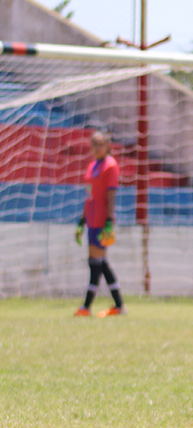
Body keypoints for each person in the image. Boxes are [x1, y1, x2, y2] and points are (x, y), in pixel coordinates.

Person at [74, 131, 125, 317]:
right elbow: (89, 196)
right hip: (91, 220)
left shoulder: (110, 166)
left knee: (95, 263)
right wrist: (81, 221)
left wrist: (110, 221)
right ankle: (119, 306)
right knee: (100, 263)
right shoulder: (91, 166)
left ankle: (86, 307)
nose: (96, 147)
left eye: (100, 144)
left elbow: (111, 195)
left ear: (108, 145)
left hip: (102, 220)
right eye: (93, 144)